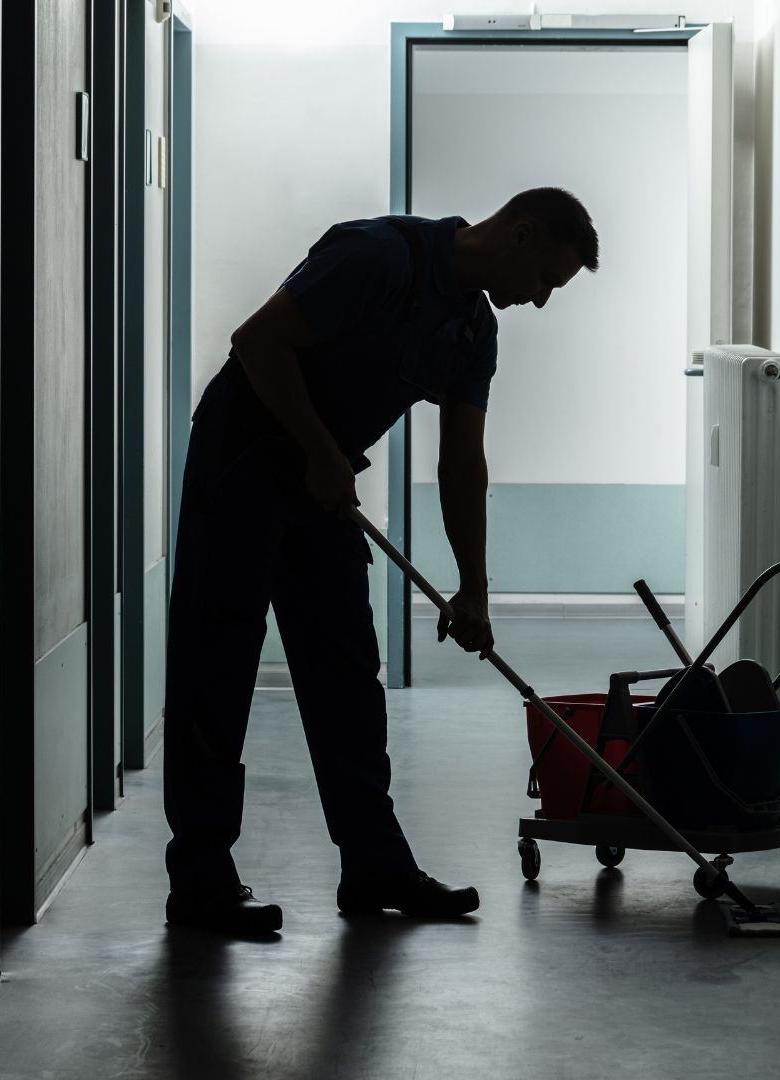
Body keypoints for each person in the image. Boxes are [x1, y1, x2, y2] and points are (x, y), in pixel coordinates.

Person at [162, 187, 599, 934]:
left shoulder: (472, 331)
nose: (542, 300)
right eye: (547, 282)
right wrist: (319, 451)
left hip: (320, 481)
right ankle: (200, 880)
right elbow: (257, 340)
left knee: (345, 673)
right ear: (522, 236)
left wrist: (473, 589)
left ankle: (374, 866)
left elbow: (464, 463)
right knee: (216, 667)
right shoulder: (379, 256)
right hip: (241, 461)